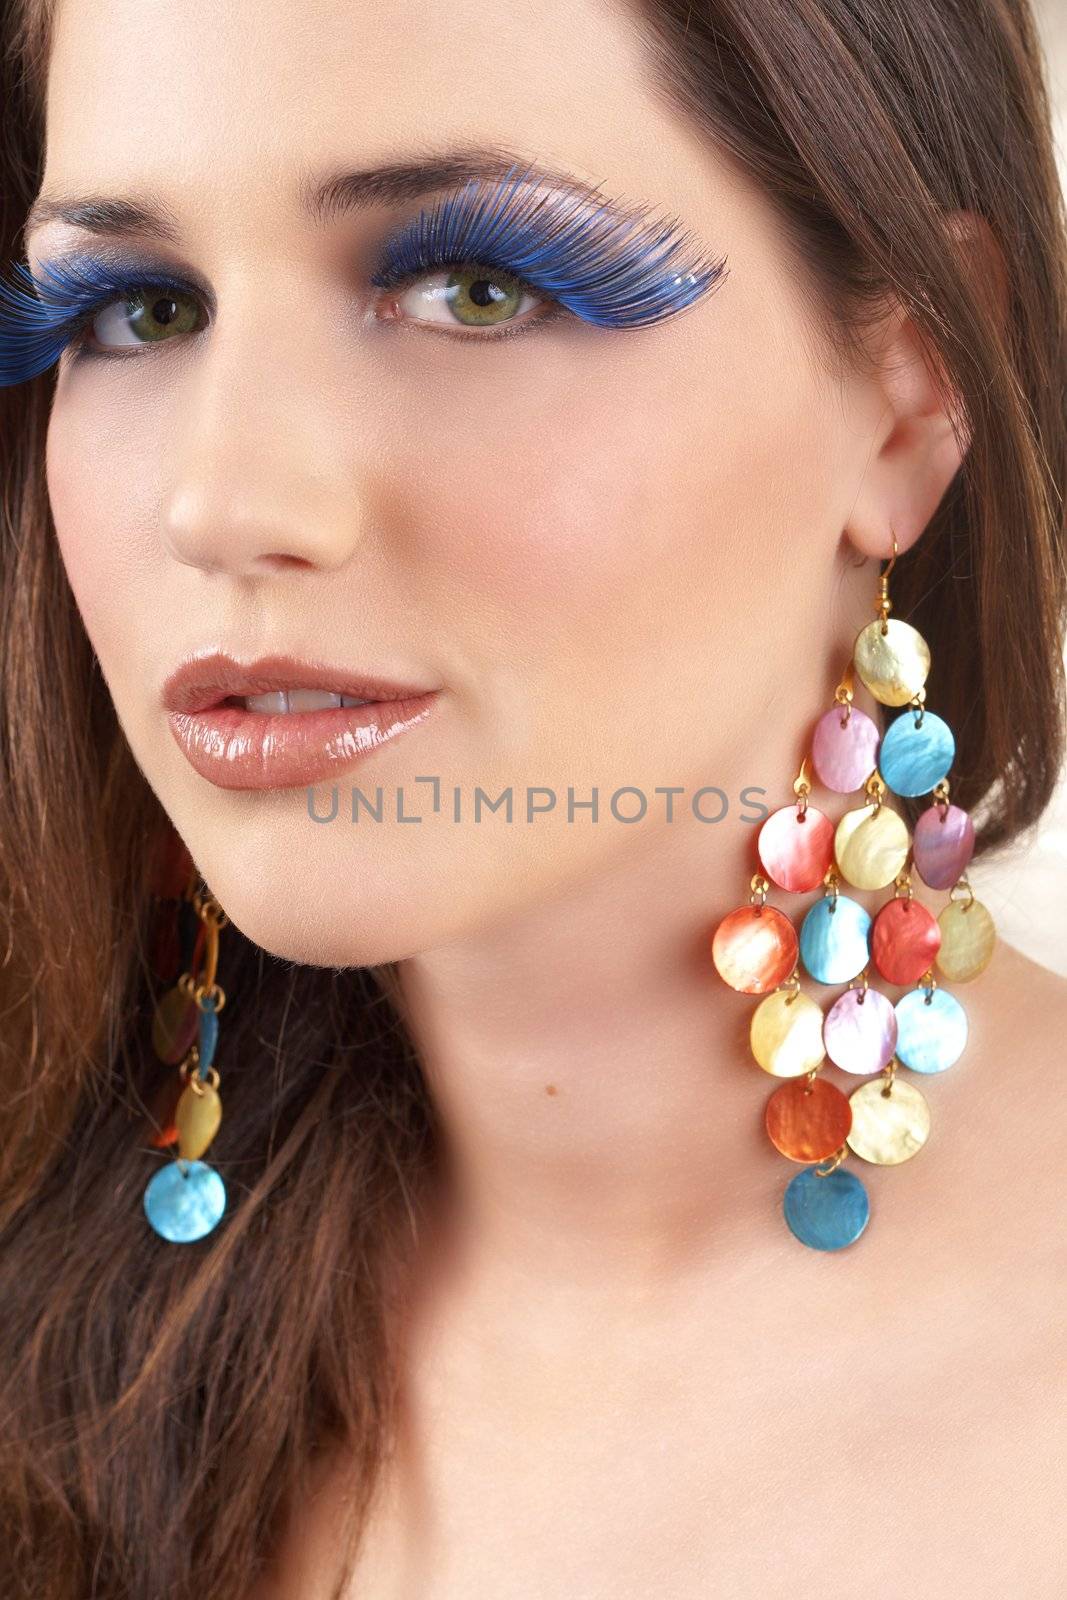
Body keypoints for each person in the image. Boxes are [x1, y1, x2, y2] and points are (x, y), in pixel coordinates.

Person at [1, 0, 1065, 1594]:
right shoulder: (59, 1311)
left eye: (474, 291)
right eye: (142, 309)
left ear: (910, 392)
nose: (223, 503)